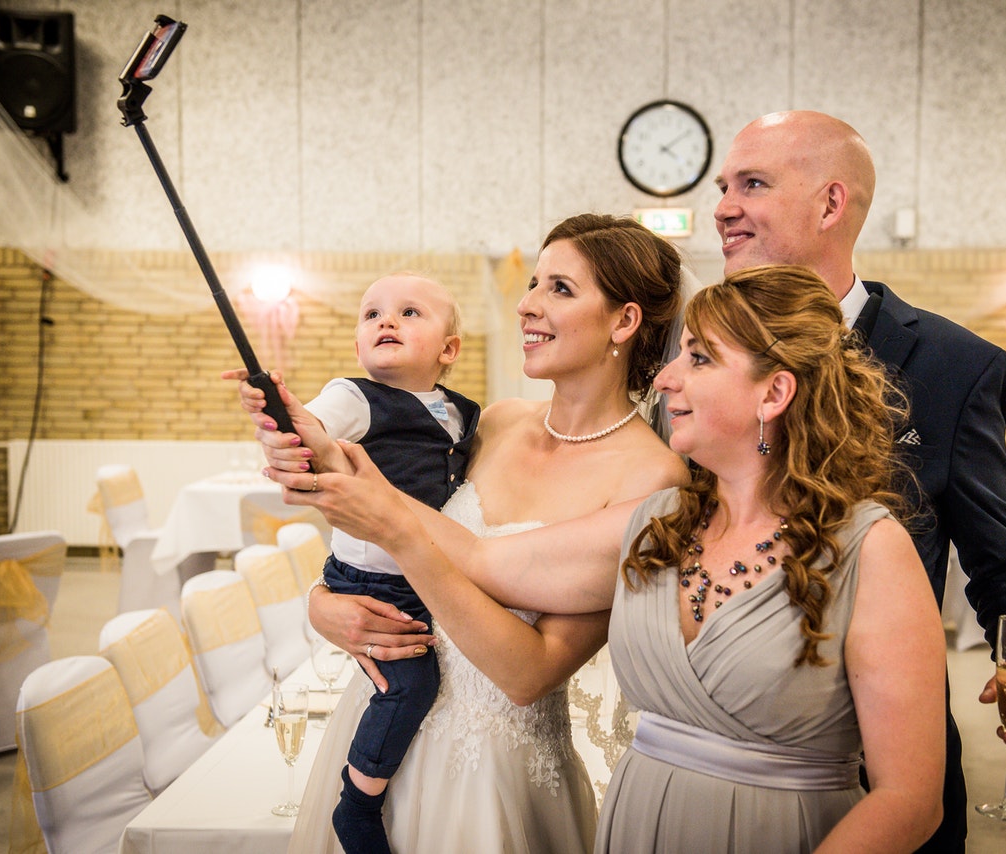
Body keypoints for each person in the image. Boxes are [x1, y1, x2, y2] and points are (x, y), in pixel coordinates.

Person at [261, 265, 948, 851]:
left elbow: (911, 797)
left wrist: (373, 506)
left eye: (700, 359)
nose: (669, 377)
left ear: (774, 393)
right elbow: (482, 558)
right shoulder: (662, 523)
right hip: (639, 823)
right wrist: (332, 522)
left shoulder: (870, 545)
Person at [242, 213, 691, 854]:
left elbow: (528, 672)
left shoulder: (654, 480)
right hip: (382, 723)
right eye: (534, 283)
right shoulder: (500, 423)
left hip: (495, 771)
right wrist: (326, 602)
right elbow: (397, 536)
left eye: (559, 289)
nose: (527, 304)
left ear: (624, 321)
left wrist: (390, 523)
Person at [712, 110, 1006, 850]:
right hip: (717, 734)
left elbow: (1001, 558)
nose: (722, 207)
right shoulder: (697, 354)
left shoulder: (953, 365)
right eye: (723, 186)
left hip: (880, 751)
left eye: (751, 184)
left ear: (830, 203)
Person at [231, 272, 480, 854]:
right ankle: (359, 804)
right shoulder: (353, 397)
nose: (386, 321)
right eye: (372, 315)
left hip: (422, 573)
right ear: (358, 344)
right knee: (410, 683)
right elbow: (307, 432)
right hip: (374, 580)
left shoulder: (464, 414)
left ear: (449, 350)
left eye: (409, 312)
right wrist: (277, 414)